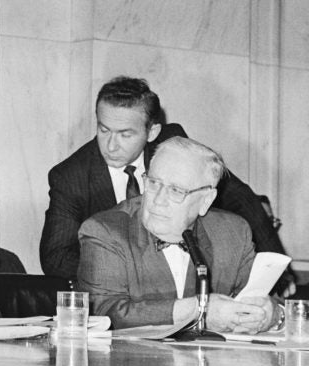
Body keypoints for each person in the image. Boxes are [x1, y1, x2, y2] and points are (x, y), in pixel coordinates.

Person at [39, 76, 295, 296]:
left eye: (125, 134)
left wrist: (278, 271)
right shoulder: (70, 176)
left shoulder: (172, 145)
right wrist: (123, 275)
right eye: (104, 130)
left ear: (152, 132)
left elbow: (240, 198)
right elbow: (56, 256)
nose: (110, 145)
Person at [78, 136, 282, 332]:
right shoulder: (105, 231)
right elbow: (105, 313)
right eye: (153, 183)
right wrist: (198, 310)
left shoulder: (233, 232)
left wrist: (269, 315)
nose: (158, 200)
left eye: (176, 191)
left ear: (206, 200)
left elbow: (260, 299)